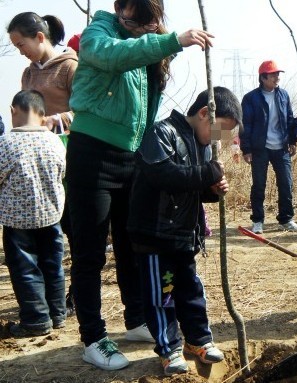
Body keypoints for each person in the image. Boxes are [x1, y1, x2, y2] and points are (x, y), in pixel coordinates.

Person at [66, 0, 214, 371]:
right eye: (128, 15)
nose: (132, 24)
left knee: (134, 245)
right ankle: (94, 337)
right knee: (90, 252)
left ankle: (136, 320)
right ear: (118, 7)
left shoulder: (152, 40)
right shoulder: (100, 31)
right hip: (92, 155)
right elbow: (112, 56)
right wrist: (170, 42)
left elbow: (150, 81)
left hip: (132, 157)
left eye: (143, 19)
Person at [127, 86, 241, 376]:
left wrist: (212, 190)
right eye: (222, 130)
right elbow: (164, 175)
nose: (221, 139)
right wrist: (207, 174)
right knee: (162, 293)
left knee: (191, 290)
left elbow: (192, 189)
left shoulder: (201, 144)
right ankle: (168, 348)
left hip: (183, 236)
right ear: (205, 113)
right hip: (155, 237)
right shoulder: (161, 133)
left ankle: (198, 340)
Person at [1, 90, 66, 337]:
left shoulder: (5, 143)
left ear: (13, 110)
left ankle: (37, 320)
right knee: (53, 265)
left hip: (18, 221)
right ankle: (57, 315)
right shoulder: (54, 142)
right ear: (41, 114)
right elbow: (62, 174)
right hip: (51, 216)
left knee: (26, 270)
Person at [240, 60, 297, 234]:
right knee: (259, 185)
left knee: (286, 183)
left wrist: (292, 140)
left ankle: (286, 219)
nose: (277, 77)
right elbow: (246, 124)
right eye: (273, 74)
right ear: (263, 77)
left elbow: (289, 119)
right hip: (260, 148)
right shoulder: (250, 98)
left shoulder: (284, 95)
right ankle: (258, 221)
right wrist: (246, 149)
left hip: (281, 147)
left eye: (278, 74)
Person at [7, 12, 78, 133]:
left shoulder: (69, 67)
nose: (21, 53)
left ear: (40, 37)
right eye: (17, 47)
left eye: (21, 45)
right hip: (36, 145)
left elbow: (84, 109)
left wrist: (59, 119)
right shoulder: (28, 74)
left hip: (64, 144)